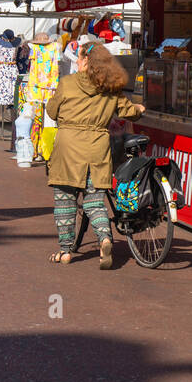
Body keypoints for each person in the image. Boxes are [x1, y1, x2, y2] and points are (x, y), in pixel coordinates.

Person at [45, 43, 145, 266]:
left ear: (87, 61)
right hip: (97, 148)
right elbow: (129, 112)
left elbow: (51, 111)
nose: (78, 62)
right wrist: (139, 109)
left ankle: (65, 251)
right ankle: (105, 238)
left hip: (68, 147)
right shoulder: (111, 88)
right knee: (94, 201)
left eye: (80, 59)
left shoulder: (67, 83)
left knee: (65, 199)